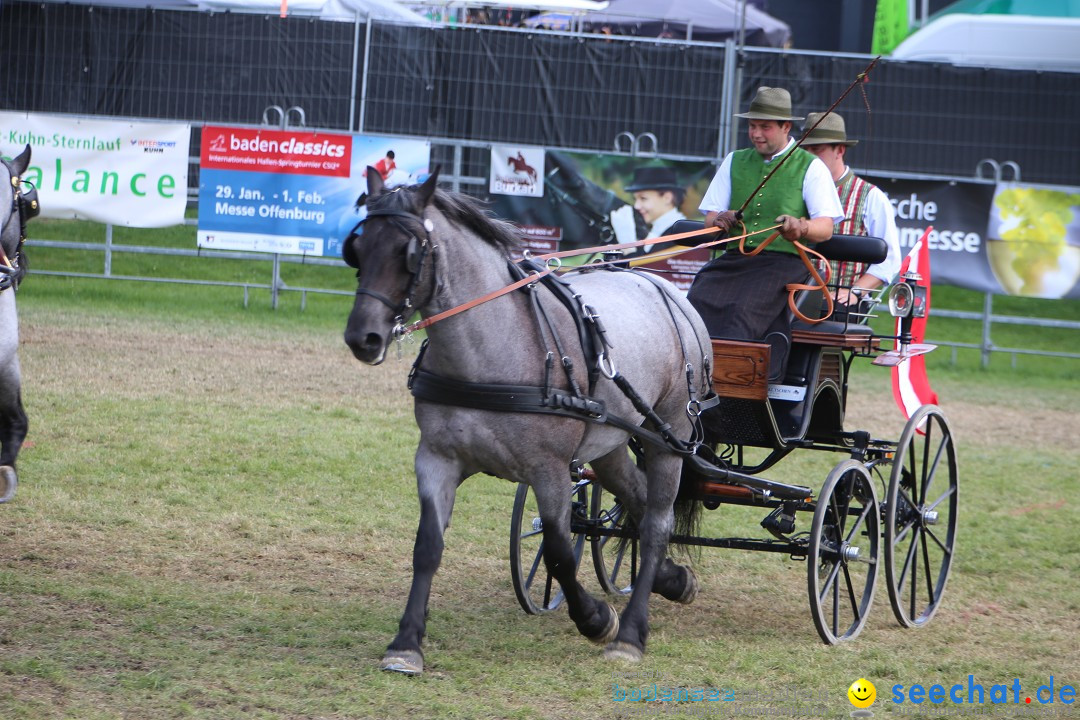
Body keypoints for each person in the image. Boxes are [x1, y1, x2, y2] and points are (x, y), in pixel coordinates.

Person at [688, 87, 843, 370]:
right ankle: (690, 376)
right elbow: (710, 220)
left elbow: (826, 227)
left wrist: (801, 226)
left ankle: (730, 382)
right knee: (697, 299)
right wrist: (721, 219)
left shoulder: (811, 167)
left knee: (740, 310)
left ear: (786, 127)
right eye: (752, 126)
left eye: (765, 127)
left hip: (784, 265)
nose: (756, 134)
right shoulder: (734, 160)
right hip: (735, 261)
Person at [800, 112, 901, 313]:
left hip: (841, 302)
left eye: (817, 149)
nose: (809, 156)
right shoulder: (795, 189)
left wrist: (855, 292)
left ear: (840, 150)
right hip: (794, 295)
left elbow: (890, 258)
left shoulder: (870, 196)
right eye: (806, 149)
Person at [623, 165, 687, 256]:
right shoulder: (658, 230)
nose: (636, 206)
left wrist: (628, 247)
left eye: (643, 198)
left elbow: (649, 268)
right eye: (635, 199)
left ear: (667, 198)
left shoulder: (680, 235)